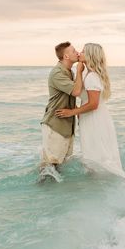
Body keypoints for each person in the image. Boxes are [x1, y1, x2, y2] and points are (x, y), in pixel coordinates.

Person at [56, 43, 125, 180]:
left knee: (96, 153)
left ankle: (102, 183)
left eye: (83, 51)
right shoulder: (90, 74)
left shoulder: (91, 77)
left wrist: (71, 112)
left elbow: (93, 104)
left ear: (90, 55)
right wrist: (78, 71)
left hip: (94, 119)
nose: (79, 53)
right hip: (94, 118)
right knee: (97, 151)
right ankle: (102, 184)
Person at [40, 41, 84, 182]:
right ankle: (41, 197)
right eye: (73, 51)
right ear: (66, 56)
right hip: (55, 125)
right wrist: (79, 70)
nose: (77, 53)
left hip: (65, 125)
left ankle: (54, 199)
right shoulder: (57, 73)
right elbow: (76, 91)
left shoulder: (69, 72)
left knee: (58, 167)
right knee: (49, 167)